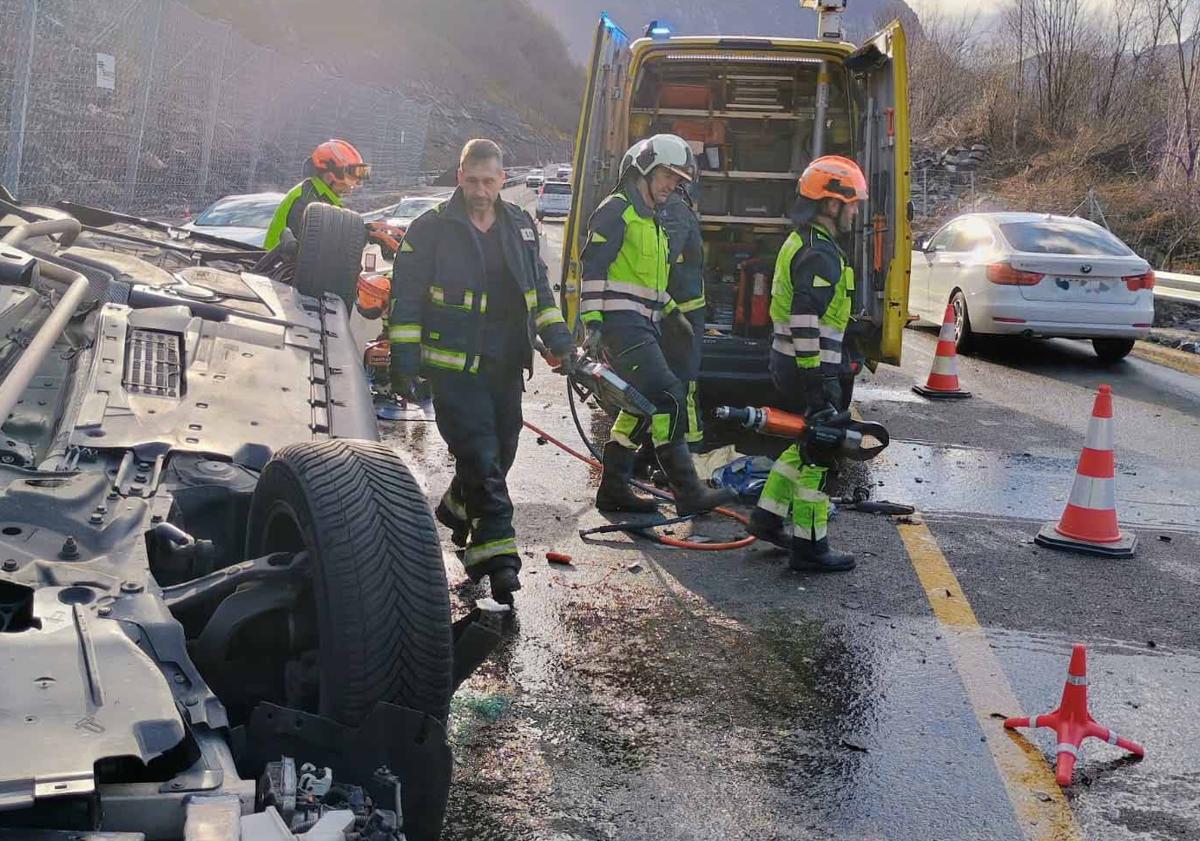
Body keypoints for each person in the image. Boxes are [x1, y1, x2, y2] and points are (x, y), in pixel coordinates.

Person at [388, 139, 573, 604]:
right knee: (482, 456)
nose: (480, 190)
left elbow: (540, 295)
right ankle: (498, 560)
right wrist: (404, 362)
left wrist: (562, 343)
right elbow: (405, 301)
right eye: (472, 180)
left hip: (507, 363)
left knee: (501, 453)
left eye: (489, 181)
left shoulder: (520, 226)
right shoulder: (428, 230)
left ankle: (455, 507)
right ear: (459, 176)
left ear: (502, 180)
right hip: (453, 370)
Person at [581, 134, 734, 516]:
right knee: (668, 395)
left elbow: (648, 284)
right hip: (621, 326)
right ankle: (688, 491)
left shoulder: (652, 221)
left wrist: (672, 313)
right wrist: (592, 323)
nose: (672, 185)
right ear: (643, 169)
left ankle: (614, 489)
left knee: (640, 406)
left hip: (644, 324)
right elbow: (593, 270)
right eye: (668, 175)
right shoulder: (617, 210)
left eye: (679, 179)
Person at [748, 155, 867, 572]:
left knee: (803, 443)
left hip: (790, 363)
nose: (855, 212)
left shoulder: (803, 241)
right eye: (851, 204)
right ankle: (810, 548)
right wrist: (816, 382)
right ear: (831, 205)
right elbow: (805, 316)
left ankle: (766, 517)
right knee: (821, 452)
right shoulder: (820, 253)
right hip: (810, 369)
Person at [659, 178, 706, 450]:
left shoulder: (673, 210)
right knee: (681, 382)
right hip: (679, 310)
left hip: (679, 312)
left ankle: (687, 450)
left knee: (682, 382)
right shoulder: (677, 209)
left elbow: (662, 258)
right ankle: (681, 449)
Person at [263, 139, 370, 250]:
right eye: (349, 177)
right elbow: (319, 244)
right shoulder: (307, 201)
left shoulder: (325, 199)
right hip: (279, 266)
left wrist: (367, 232)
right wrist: (364, 235)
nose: (352, 185)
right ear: (329, 175)